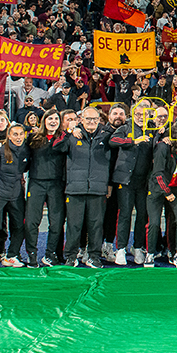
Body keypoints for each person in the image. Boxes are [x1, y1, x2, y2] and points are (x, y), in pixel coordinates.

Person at [63, 106, 113, 268]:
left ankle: (94, 256)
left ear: (99, 120)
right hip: (75, 188)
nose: (91, 122)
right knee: (74, 225)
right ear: (81, 120)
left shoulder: (107, 137)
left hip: (98, 188)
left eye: (95, 119)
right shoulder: (72, 136)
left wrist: (109, 184)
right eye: (88, 119)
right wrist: (69, 131)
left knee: (96, 225)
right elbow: (58, 147)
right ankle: (71, 256)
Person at [109, 100, 155, 265]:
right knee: (125, 214)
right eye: (138, 114)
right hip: (125, 180)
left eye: (145, 114)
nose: (141, 117)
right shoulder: (125, 128)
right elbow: (113, 141)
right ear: (133, 114)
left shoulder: (152, 129)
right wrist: (133, 141)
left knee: (143, 215)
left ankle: (138, 247)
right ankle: (120, 248)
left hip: (143, 181)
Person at [24, 109, 69, 267]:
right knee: (31, 221)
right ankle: (32, 253)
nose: (53, 121)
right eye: (50, 118)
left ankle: (50, 254)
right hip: (36, 183)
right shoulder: (33, 138)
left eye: (56, 118)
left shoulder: (65, 138)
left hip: (57, 185)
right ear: (44, 120)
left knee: (56, 222)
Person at [0, 124, 29, 270]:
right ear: (8, 136)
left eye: (21, 134)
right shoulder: (0, 150)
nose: (18, 137)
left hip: (16, 194)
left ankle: (11, 256)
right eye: (15, 134)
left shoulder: (27, 150)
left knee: (19, 226)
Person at [146, 120, 177, 267]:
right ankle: (150, 253)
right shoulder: (163, 147)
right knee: (154, 222)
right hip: (158, 189)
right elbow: (157, 173)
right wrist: (166, 191)